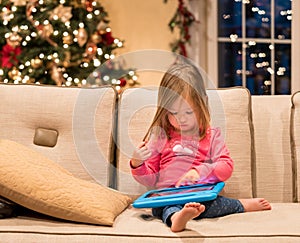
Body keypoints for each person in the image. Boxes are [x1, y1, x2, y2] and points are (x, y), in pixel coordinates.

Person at [130, 62, 271, 232]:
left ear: (202, 103)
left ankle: (240, 205)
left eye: (188, 112)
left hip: (201, 196)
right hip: (168, 197)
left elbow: (226, 166)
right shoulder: (160, 137)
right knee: (162, 208)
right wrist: (137, 163)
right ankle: (178, 218)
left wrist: (200, 172)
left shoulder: (211, 136)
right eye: (173, 113)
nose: (181, 118)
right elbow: (151, 179)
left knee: (216, 204)